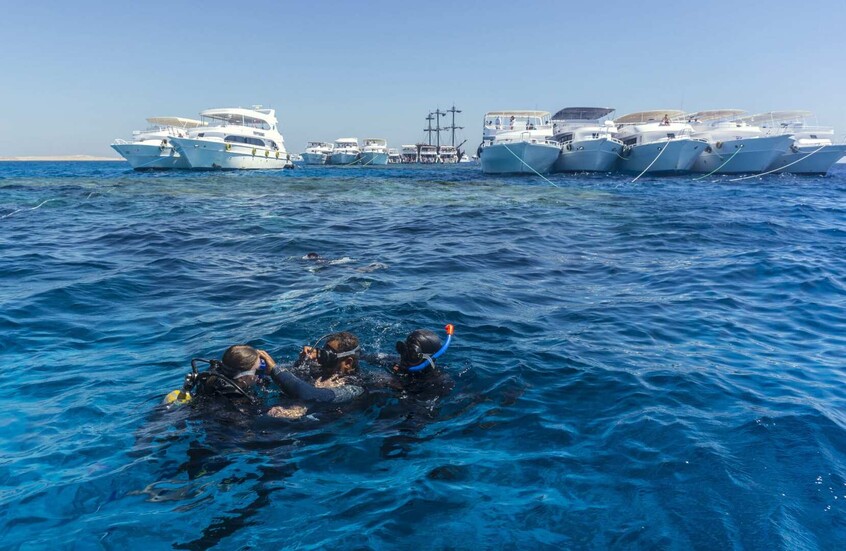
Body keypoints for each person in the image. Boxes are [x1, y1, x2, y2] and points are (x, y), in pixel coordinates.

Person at [268, 331, 365, 409]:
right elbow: (293, 374)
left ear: (348, 363)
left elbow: (312, 396)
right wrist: (302, 361)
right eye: (323, 353)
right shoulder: (320, 369)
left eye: (328, 356)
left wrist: (275, 369)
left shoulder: (354, 387)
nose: (322, 360)